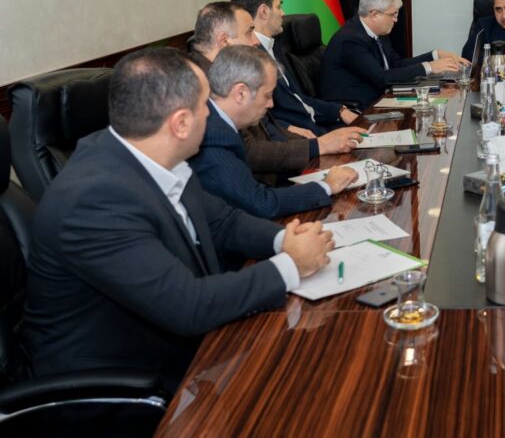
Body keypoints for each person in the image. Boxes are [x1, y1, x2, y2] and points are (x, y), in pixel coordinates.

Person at [22, 48, 335, 390]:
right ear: (181, 123)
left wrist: (282, 240)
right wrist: (291, 264)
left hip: (187, 348)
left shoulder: (154, 156)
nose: (211, 114)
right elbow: (190, 307)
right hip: (121, 383)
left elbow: (224, 221)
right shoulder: (94, 200)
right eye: (204, 105)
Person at [189, 2, 364, 186]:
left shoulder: (225, 71)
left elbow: (269, 129)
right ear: (224, 40)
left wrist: (318, 143)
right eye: (249, 32)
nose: (256, 41)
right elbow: (249, 151)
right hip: (264, 184)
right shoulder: (201, 85)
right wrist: (319, 146)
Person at [190, 46, 360, 219]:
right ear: (240, 93)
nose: (271, 104)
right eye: (267, 95)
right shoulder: (212, 134)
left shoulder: (220, 120)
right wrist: (327, 186)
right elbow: (260, 203)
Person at [231, 0, 359, 134]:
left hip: (317, 124)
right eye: (279, 7)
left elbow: (298, 99)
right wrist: (292, 131)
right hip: (299, 137)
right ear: (264, 12)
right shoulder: (250, 57)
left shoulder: (275, 46)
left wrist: (339, 110)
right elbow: (263, 118)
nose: (283, 13)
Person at [319, 0, 466, 109]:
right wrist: (429, 67)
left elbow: (396, 64)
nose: (396, 20)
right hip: (357, 109)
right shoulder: (350, 40)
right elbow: (381, 77)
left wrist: (435, 55)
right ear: (374, 14)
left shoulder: (379, 33)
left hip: (380, 99)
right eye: (393, 14)